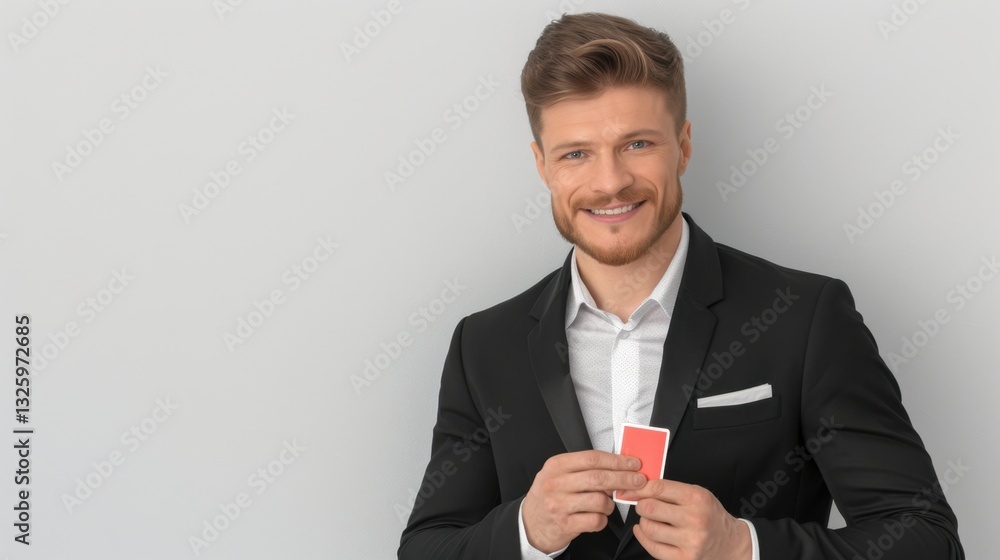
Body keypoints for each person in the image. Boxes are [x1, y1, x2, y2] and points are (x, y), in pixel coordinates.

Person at [397, 12, 963, 560]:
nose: (610, 181)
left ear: (684, 146)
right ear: (543, 165)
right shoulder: (483, 346)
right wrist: (525, 531)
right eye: (576, 154)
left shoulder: (804, 317)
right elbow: (424, 549)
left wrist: (745, 548)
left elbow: (925, 538)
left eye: (637, 145)